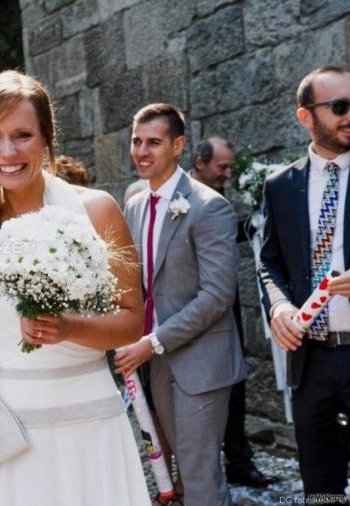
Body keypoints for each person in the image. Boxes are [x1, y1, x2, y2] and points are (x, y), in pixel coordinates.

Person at [0, 70, 150, 505]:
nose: (7, 151)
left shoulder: (95, 211)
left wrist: (68, 327)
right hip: (8, 439)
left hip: (87, 430)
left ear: (46, 138)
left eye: (22, 135)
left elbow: (132, 322)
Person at [118, 103, 246, 505]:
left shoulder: (209, 207)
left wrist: (153, 341)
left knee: (201, 475)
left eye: (153, 142)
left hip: (201, 365)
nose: (142, 151)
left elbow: (217, 295)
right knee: (182, 476)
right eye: (136, 142)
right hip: (157, 365)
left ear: (178, 146)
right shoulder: (136, 204)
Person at [260, 65, 350, 504]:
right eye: (340, 106)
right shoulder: (280, 186)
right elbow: (269, 262)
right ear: (306, 117)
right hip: (311, 364)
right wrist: (278, 307)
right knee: (322, 491)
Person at [191, 137, 279, 488]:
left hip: (225, 312)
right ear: (199, 162)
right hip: (189, 313)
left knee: (236, 389)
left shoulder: (219, 196)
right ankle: (197, 476)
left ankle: (240, 465)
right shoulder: (178, 195)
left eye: (230, 168)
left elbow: (227, 234)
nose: (227, 174)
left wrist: (260, 217)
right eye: (221, 168)